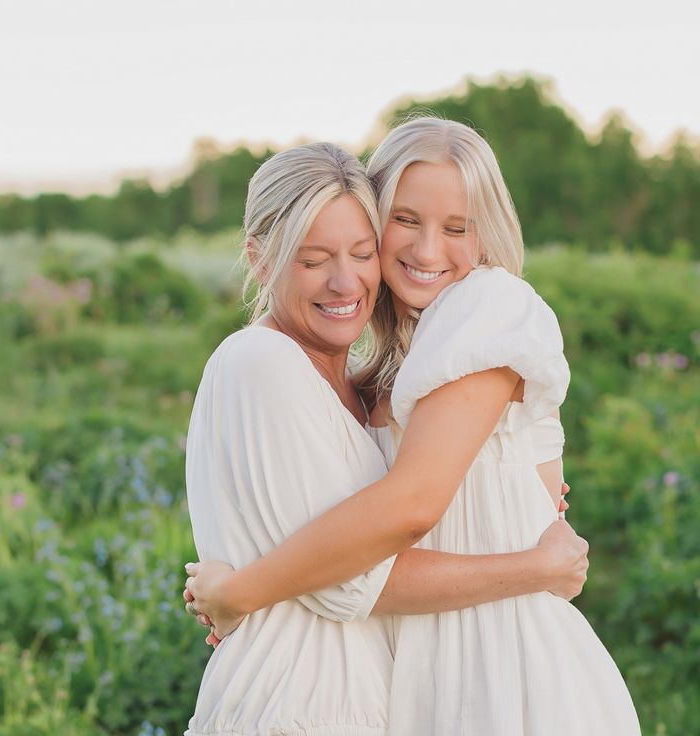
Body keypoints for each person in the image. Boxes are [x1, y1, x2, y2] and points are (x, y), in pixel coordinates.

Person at [184, 120, 641, 735]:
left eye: (456, 228)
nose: (428, 251)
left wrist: (240, 591)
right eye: (405, 221)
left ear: (487, 233)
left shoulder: (486, 311)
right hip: (413, 676)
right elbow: (359, 554)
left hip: (501, 664)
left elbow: (412, 507)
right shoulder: (358, 374)